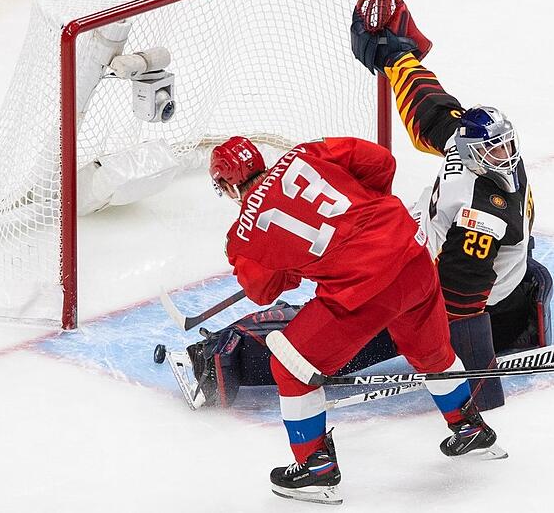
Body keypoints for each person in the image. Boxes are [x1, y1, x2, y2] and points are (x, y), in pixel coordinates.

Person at [210, 135, 503, 505]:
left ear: (225, 184)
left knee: (289, 367)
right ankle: (469, 427)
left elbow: (262, 291)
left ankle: (314, 468)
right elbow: (381, 162)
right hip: (411, 253)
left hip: (364, 290)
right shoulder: (305, 153)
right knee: (432, 352)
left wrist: (288, 262)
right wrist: (369, 212)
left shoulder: (243, 235)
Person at [348, 0, 552, 409]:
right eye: (494, 148)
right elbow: (431, 111)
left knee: (364, 300)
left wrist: (472, 385)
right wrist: (397, 57)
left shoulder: (485, 212)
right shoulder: (465, 143)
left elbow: (459, 300)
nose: (505, 156)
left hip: (470, 271)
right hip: (465, 244)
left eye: (505, 146)